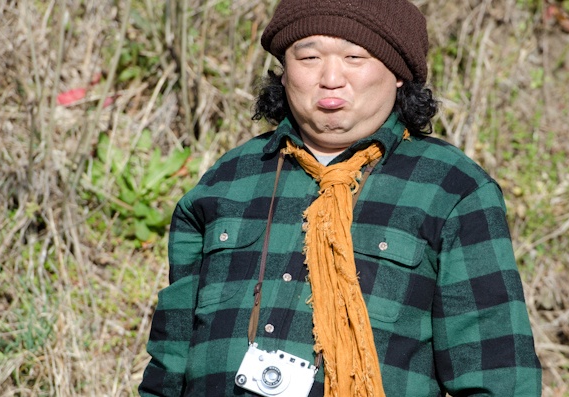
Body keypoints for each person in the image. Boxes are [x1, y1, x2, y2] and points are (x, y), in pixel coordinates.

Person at [140, 0, 541, 395]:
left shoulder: (452, 189)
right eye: (309, 57)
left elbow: (499, 376)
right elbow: (169, 360)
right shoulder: (228, 179)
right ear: (284, 72)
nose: (331, 77)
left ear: (398, 73)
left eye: (354, 56)